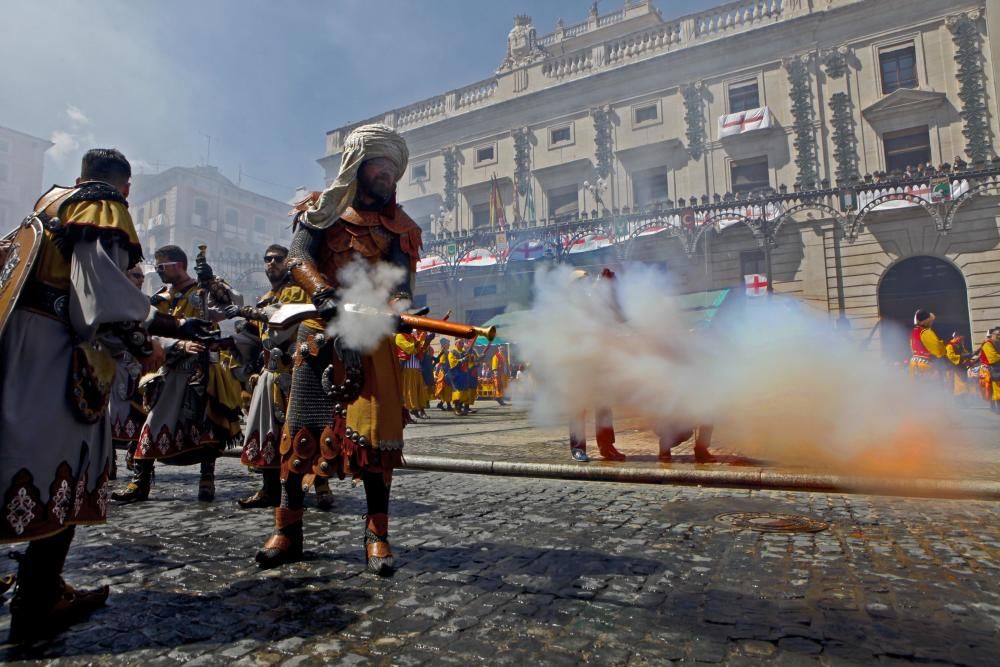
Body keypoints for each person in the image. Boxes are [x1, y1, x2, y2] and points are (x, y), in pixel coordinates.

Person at [0, 148, 212, 642]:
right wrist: (154, 339)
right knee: (58, 470)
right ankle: (37, 604)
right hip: (51, 355)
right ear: (128, 188)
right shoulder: (101, 203)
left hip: (17, 348)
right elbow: (104, 296)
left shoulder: (45, 207)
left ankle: (41, 586)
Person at [254, 124, 421, 575]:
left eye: (392, 168)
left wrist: (388, 307)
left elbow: (402, 289)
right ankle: (287, 530)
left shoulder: (402, 229)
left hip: (370, 339)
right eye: (378, 166)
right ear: (357, 167)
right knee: (299, 436)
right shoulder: (320, 213)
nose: (386, 174)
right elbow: (297, 260)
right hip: (318, 333)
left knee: (375, 446)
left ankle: (377, 535)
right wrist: (324, 292)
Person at [112, 245, 243, 504]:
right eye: (157, 267)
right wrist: (178, 344)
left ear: (178, 265)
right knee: (152, 424)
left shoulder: (203, 290)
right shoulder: (158, 297)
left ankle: (207, 480)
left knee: (208, 428)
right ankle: (140, 483)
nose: (158, 272)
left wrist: (214, 281)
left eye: (163, 267)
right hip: (170, 368)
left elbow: (234, 304)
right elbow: (149, 330)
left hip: (204, 368)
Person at [230, 245, 333, 510]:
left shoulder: (301, 291)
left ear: (288, 263)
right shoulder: (265, 296)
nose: (271, 263)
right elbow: (257, 336)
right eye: (267, 259)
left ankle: (321, 485)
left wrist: (250, 312)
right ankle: (269, 489)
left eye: (277, 259)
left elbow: (283, 326)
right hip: (269, 374)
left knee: (306, 430)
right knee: (267, 433)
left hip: (298, 372)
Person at [109, 265, 152, 479]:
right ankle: (108, 462)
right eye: (136, 276)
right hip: (112, 365)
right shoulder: (110, 299)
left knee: (138, 412)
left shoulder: (143, 303)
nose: (140, 280)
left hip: (137, 367)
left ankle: (134, 458)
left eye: (142, 276)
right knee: (110, 413)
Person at [395, 328, 429, 419]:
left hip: (416, 368)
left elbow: (417, 350)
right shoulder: (399, 336)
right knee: (409, 391)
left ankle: (420, 410)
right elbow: (409, 348)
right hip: (407, 369)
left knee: (419, 391)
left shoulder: (412, 336)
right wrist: (419, 340)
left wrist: (426, 342)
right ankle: (409, 414)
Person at [909, 309, 946, 381]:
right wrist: (942, 345)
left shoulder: (914, 331)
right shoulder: (926, 332)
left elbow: (911, 346)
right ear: (927, 321)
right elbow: (937, 350)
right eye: (931, 321)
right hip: (925, 365)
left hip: (913, 363)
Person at [944, 333, 973, 398]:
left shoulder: (960, 344)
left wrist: (968, 355)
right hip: (954, 368)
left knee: (963, 383)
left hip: (961, 367)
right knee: (957, 386)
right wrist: (962, 356)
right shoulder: (949, 346)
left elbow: (964, 351)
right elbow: (951, 356)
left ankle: (963, 399)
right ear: (956, 337)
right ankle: (958, 401)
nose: (962, 340)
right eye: (960, 338)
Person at [979, 327, 1000, 412]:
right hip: (988, 370)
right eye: (998, 334)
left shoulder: (997, 343)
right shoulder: (987, 344)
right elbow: (993, 358)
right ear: (991, 335)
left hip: (996, 368)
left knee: (995, 389)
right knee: (991, 389)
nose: (999, 336)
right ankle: (995, 407)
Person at [434, 338, 454, 411]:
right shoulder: (443, 352)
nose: (449, 344)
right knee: (445, 389)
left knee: (448, 389)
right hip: (444, 372)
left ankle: (444, 404)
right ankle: (444, 404)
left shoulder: (446, 351)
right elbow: (442, 363)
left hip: (447, 371)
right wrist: (446, 373)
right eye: (447, 343)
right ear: (444, 344)